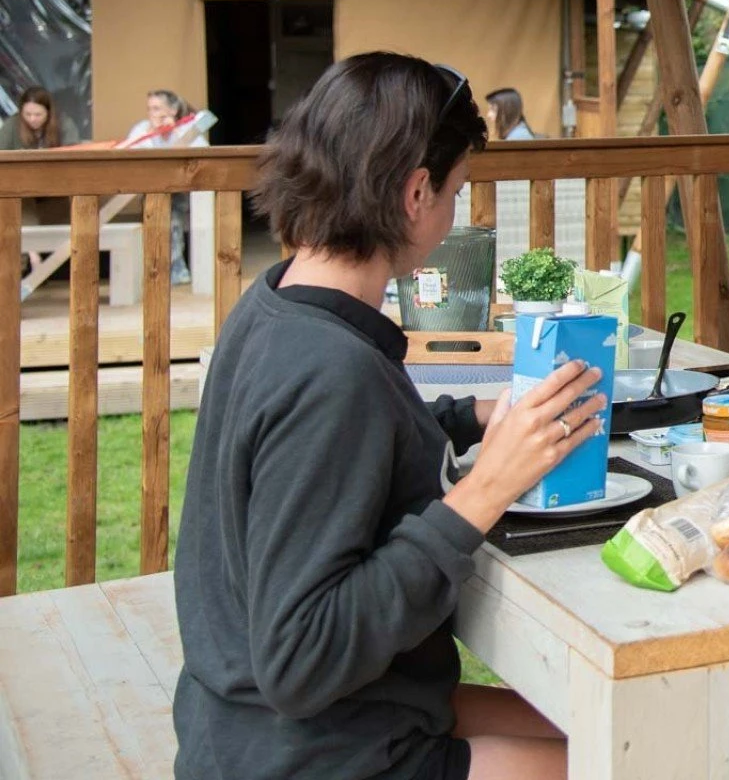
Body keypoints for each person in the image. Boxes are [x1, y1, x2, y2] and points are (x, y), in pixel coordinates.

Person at [173, 54, 599, 780]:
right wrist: (483, 490)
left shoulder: (278, 305)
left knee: (635, 723)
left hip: (272, 723)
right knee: (685, 759)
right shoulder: (331, 372)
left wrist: (472, 416)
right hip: (315, 753)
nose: (454, 210)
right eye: (456, 191)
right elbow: (301, 659)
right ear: (415, 192)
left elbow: (339, 445)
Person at [125, 90, 208, 284]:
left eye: (157, 108)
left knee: (174, 215)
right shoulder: (142, 129)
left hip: (185, 190)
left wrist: (176, 132)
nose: (152, 113)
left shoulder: (186, 128)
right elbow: (129, 152)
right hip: (152, 189)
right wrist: (153, 134)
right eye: (150, 109)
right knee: (159, 214)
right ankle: (160, 268)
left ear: (173, 110)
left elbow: (204, 153)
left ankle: (176, 267)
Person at [0, 86, 81, 150]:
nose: (32, 119)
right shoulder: (12, 125)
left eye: (38, 114)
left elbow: (73, 152)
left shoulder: (64, 124)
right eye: (27, 114)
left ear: (49, 112)